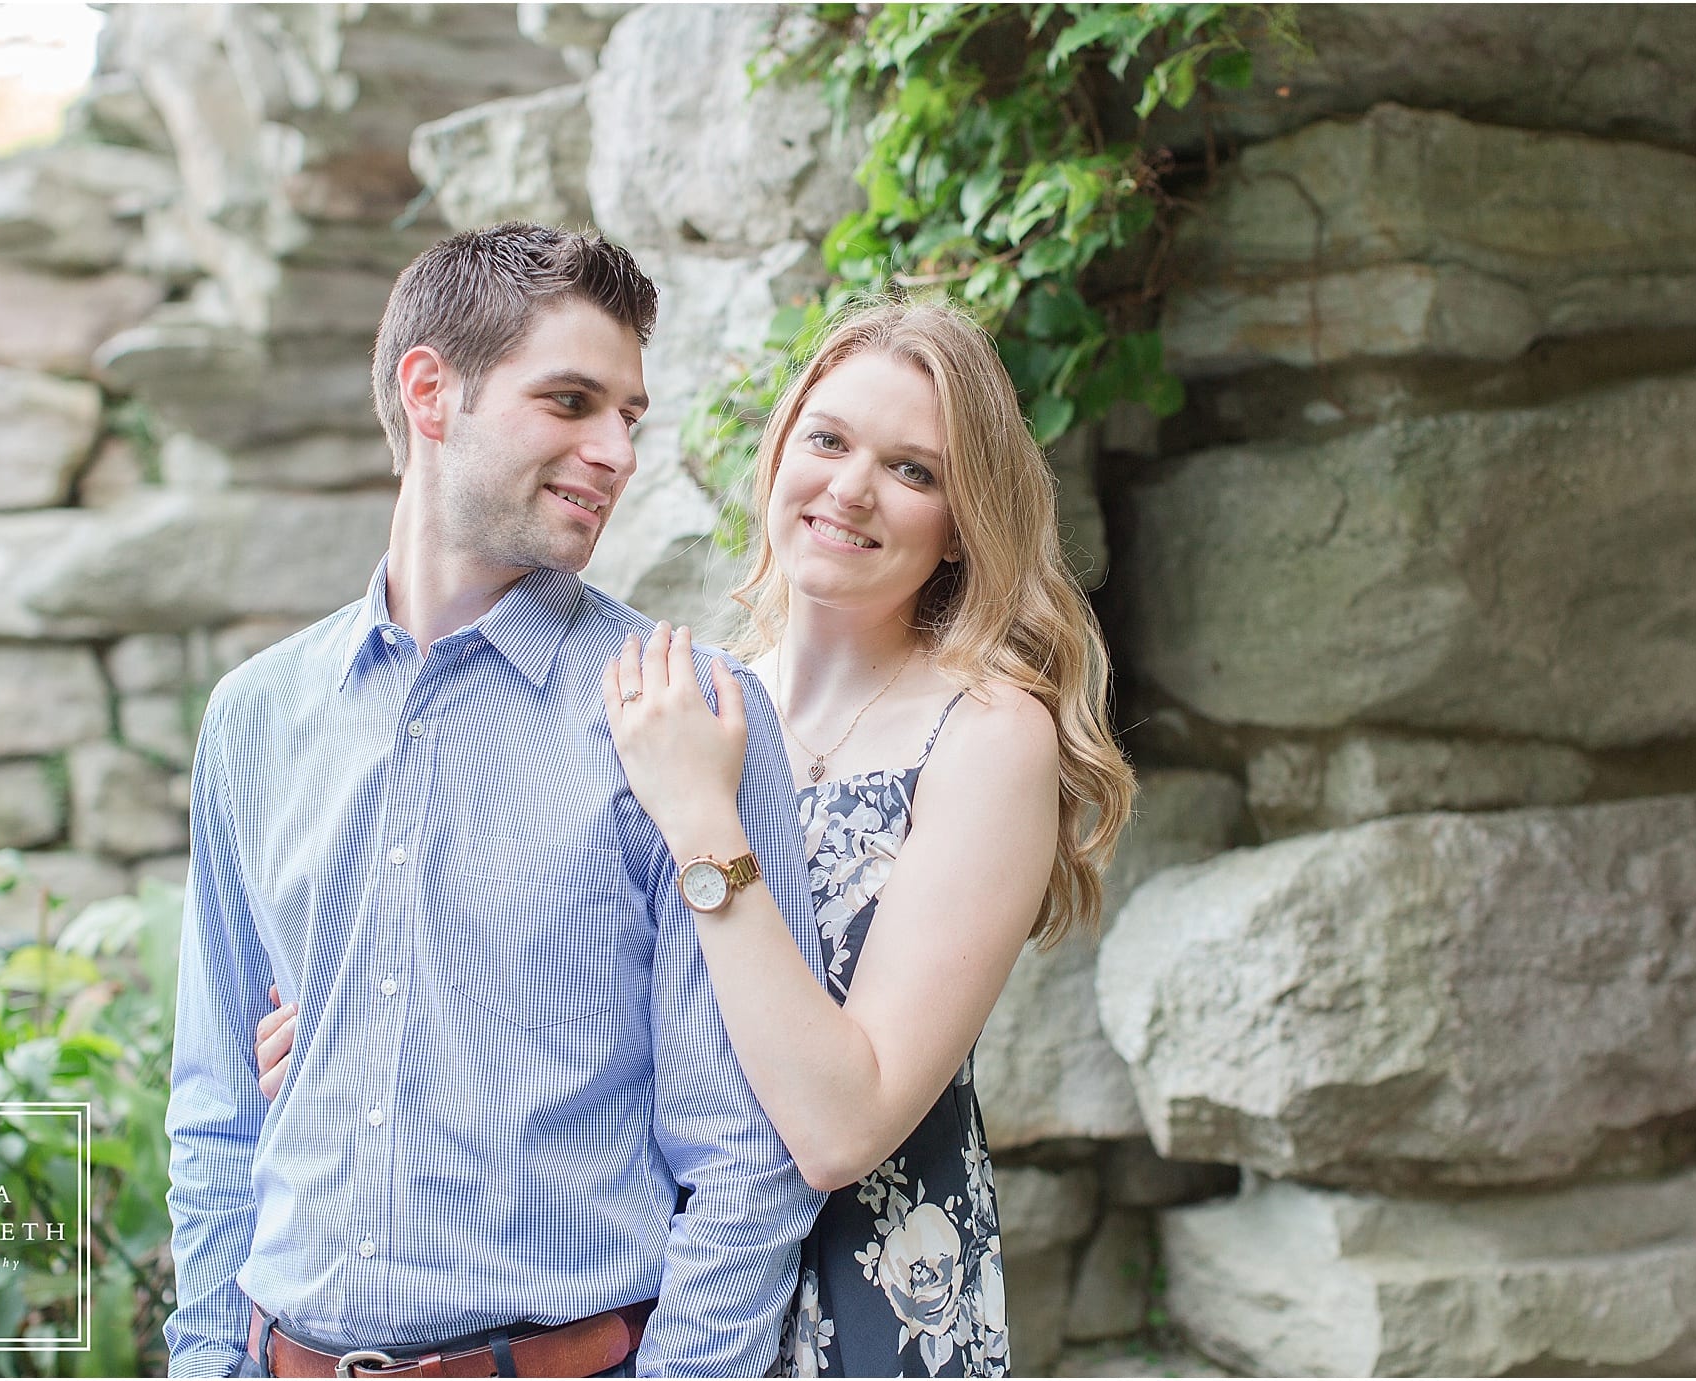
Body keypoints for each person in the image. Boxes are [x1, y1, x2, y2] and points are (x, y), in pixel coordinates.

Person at [259, 299, 1136, 1377]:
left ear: (963, 520)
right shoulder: (702, 697)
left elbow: (840, 1126)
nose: (853, 487)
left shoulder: (987, 732)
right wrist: (378, 1034)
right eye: (829, 440)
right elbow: (587, 1004)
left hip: (865, 1285)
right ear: (779, 458)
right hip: (667, 1286)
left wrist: (705, 819)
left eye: (914, 470)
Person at [164, 221, 827, 1380]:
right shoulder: (255, 718)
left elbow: (746, 1149)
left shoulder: (690, 715)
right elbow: (218, 1109)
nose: (616, 450)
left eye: (629, 416)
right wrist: (207, 1362)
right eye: (571, 401)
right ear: (432, 391)